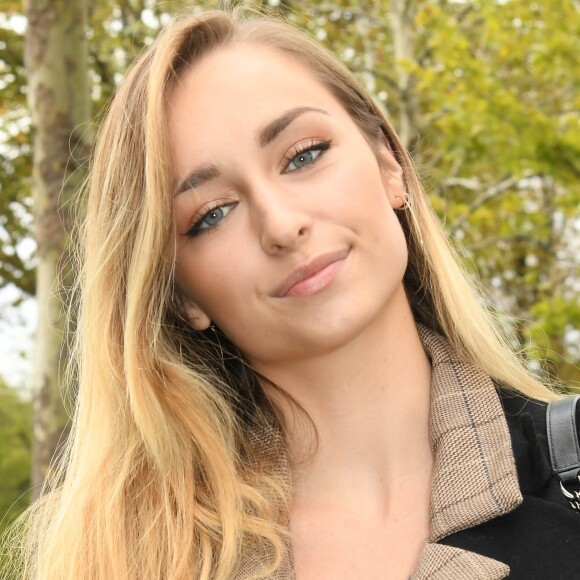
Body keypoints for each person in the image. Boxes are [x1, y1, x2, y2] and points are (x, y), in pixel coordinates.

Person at [8, 7, 580, 580]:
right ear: (181, 294)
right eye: (212, 214)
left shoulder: (565, 482)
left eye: (303, 155)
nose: (281, 225)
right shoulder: (115, 560)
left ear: (389, 164)